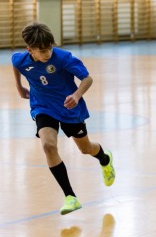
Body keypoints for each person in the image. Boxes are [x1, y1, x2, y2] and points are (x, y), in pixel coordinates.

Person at [11, 22, 116, 215]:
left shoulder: (63, 58)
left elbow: (87, 79)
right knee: (48, 146)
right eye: (42, 51)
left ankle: (104, 158)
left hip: (69, 109)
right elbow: (15, 64)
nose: (47, 53)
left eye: (49, 48)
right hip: (43, 107)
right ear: (30, 50)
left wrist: (76, 95)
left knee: (85, 149)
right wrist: (19, 87)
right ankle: (70, 197)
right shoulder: (21, 60)